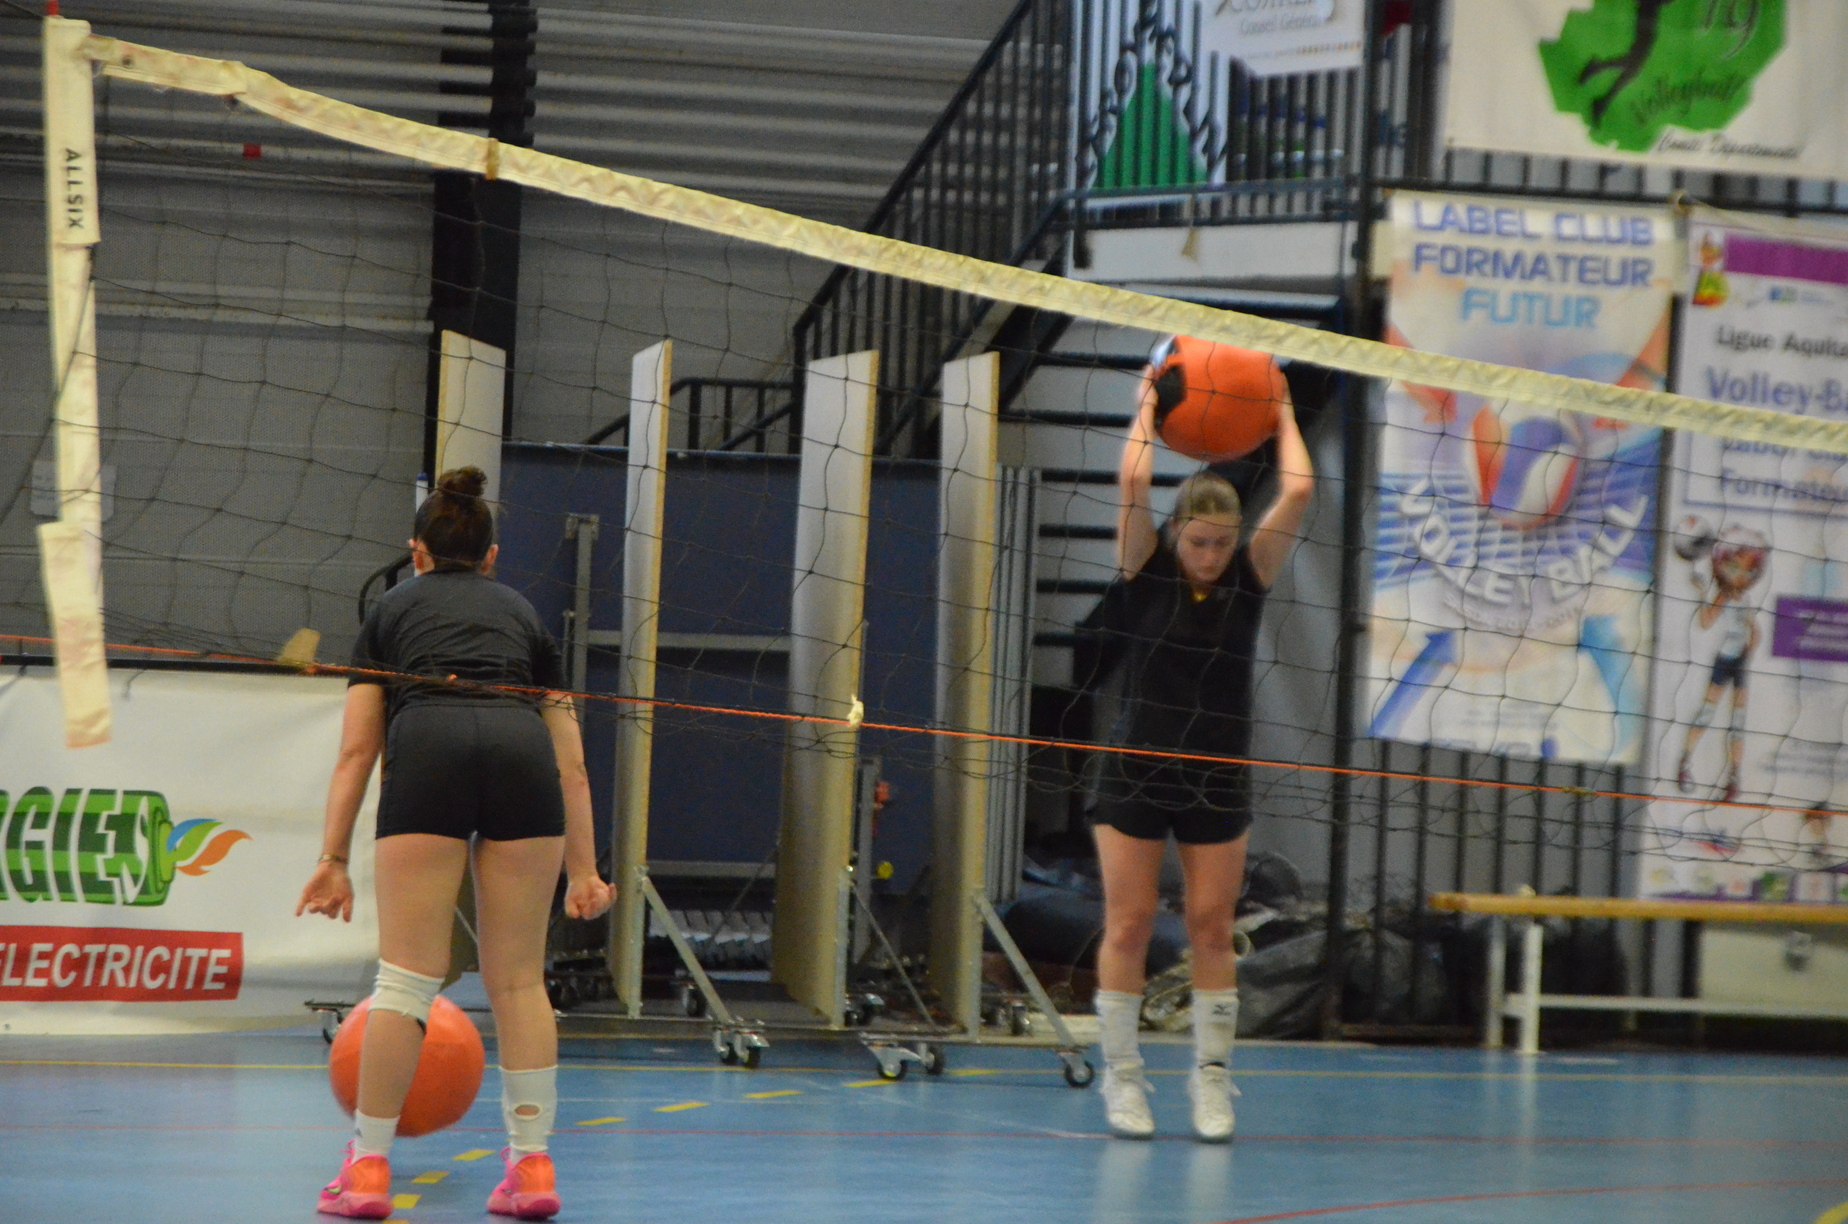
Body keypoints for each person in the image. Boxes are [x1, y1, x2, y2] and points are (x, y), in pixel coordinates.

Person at [298, 467, 615, 1221]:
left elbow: (357, 751)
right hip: (518, 751)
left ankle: (367, 1169)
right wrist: (584, 870)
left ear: (417, 553)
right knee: (519, 983)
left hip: (430, 744)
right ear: (492, 556)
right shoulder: (524, 616)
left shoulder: (389, 613)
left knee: (407, 979)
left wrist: (332, 860)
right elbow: (571, 761)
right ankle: (532, 1167)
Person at [1090, 345, 1313, 1142]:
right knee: (1128, 924)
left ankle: (1211, 1082)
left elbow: (1299, 488)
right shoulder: (1144, 568)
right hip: (1136, 769)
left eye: (1221, 543)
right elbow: (1131, 481)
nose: (1211, 557)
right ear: (1176, 532)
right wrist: (1150, 400)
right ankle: (1123, 1078)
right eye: (1199, 543)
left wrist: (1281, 407)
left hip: (1217, 775)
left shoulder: (1249, 579)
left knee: (1213, 927)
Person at [1676, 525, 1769, 803]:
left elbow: (1755, 631)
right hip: (1725, 659)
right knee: (1707, 712)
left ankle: (1733, 777)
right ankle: (1685, 763)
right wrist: (1701, 594)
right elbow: (1706, 621)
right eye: (1735, 566)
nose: (1740, 573)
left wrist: (1750, 647)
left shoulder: (1744, 599)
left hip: (1739, 662)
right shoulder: (1723, 596)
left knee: (1737, 722)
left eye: (1747, 569)